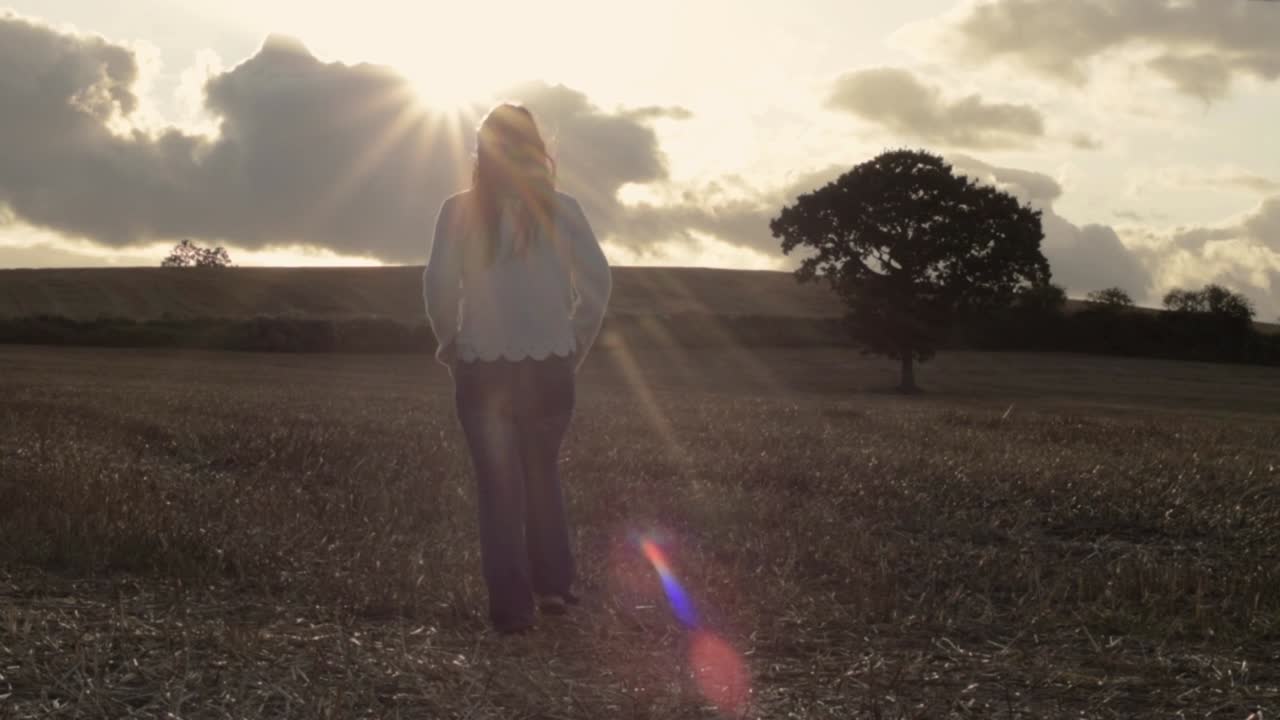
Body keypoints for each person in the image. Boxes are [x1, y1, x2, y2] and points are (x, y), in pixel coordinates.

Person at [423, 103, 612, 634]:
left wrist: (450, 342)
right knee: (542, 473)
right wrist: (575, 341)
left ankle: (511, 609)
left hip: (483, 365)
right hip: (551, 364)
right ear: (537, 149)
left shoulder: (456, 211)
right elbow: (599, 282)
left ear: (482, 152)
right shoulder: (565, 210)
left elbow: (437, 286)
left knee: (498, 488)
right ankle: (553, 587)